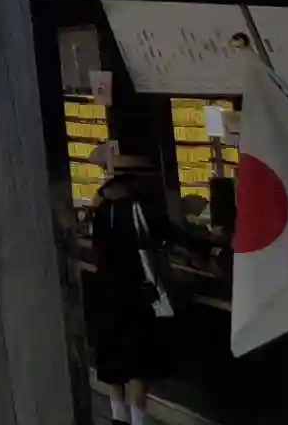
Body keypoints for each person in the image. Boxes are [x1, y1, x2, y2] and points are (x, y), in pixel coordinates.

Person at [85, 154, 177, 425]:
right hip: (137, 294)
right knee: (138, 365)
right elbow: (169, 234)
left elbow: (97, 249)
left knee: (115, 363)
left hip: (107, 293)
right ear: (133, 180)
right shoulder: (143, 207)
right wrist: (209, 247)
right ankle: (137, 421)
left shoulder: (102, 209)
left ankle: (118, 417)